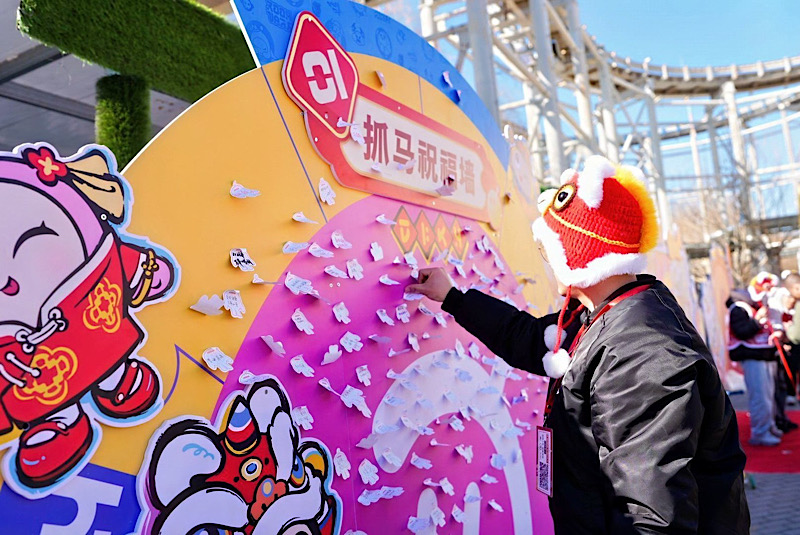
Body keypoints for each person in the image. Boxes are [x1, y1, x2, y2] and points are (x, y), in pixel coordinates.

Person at [407, 156, 749, 534]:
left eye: (548, 250)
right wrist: (453, 298)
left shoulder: (641, 353)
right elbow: (527, 337)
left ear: (576, 256)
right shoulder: (609, 316)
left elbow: (652, 516)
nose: (547, 263)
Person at [727, 290, 783, 445]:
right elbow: (741, 332)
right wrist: (757, 321)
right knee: (760, 397)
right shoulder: (739, 308)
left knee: (769, 397)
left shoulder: (753, 307)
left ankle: (769, 426)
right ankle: (760, 432)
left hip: (764, 355)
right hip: (752, 356)